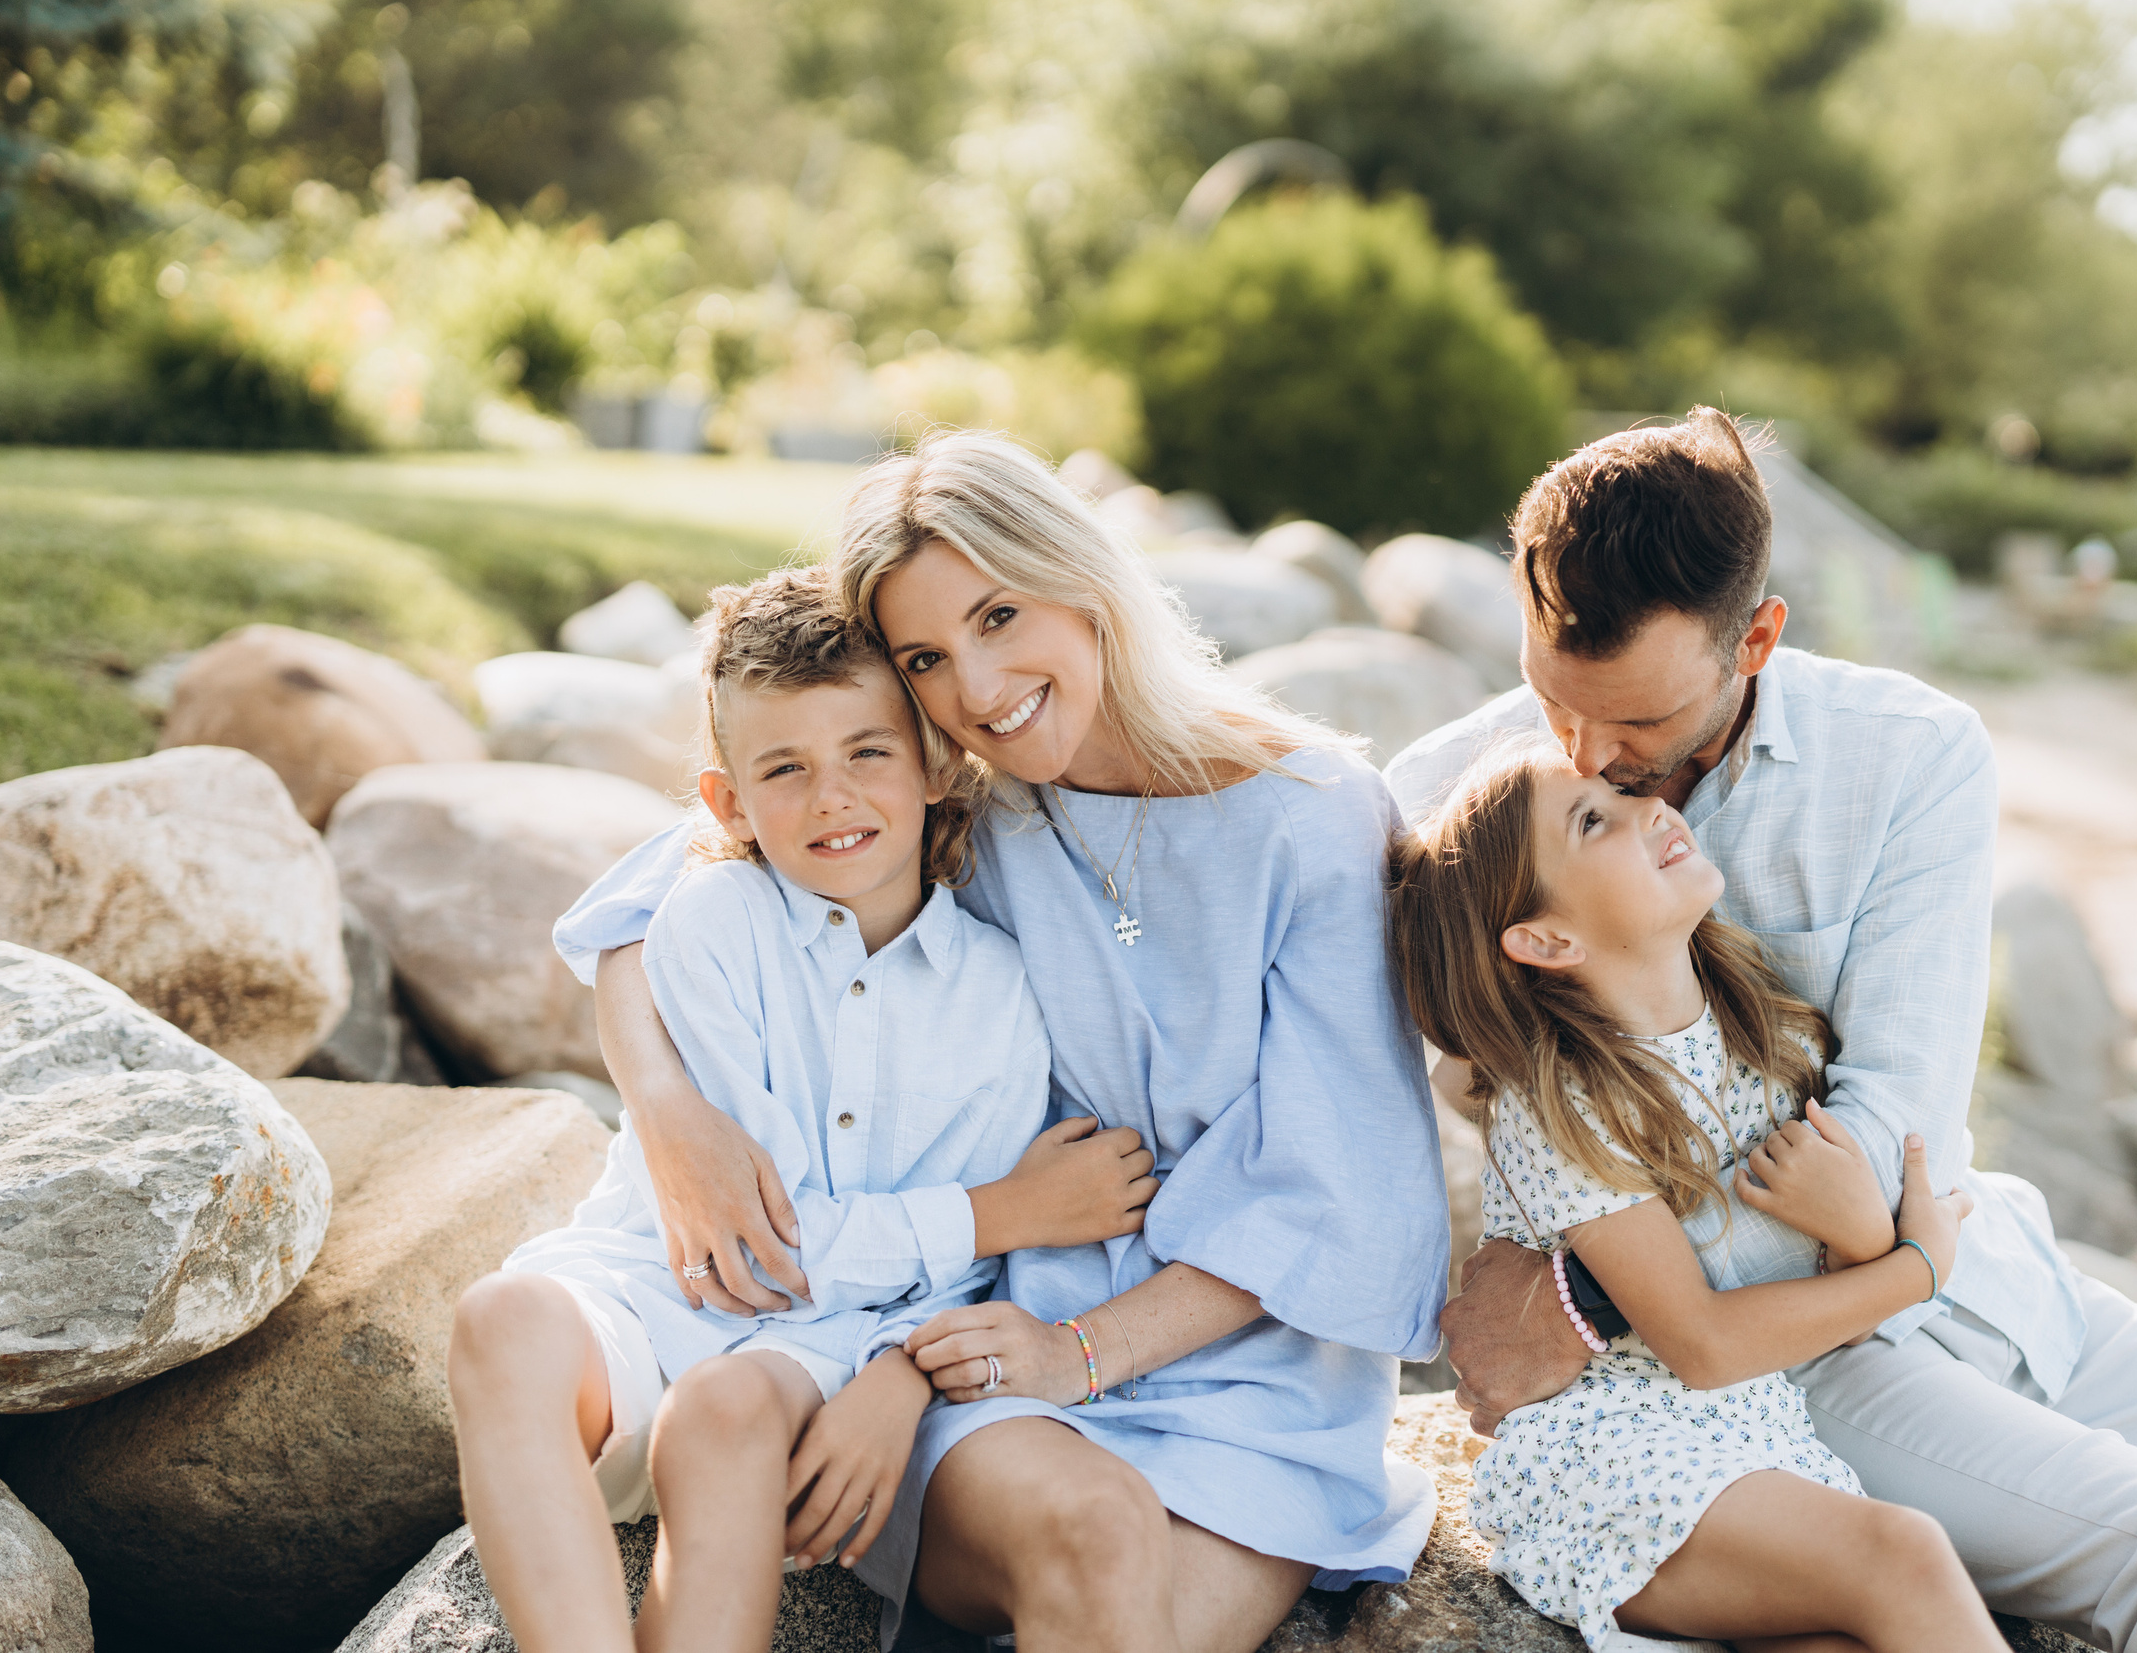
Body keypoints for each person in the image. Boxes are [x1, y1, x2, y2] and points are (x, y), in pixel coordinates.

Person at [1386, 410, 2137, 1653]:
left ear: (1754, 637)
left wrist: (1590, 1290)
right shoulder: (1460, 812)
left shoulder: (1910, 756)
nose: (1591, 754)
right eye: (1552, 699)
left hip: (1985, 1276)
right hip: (1803, 1368)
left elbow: (1895, 1136)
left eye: (1640, 726)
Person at [547, 433, 1449, 1653]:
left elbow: (1339, 1192)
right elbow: (635, 912)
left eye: (998, 615)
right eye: (925, 657)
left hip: (1246, 1379)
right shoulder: (958, 796)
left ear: (1082, 583)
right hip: (969, 1341)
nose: (975, 688)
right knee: (1093, 1537)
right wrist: (667, 1115)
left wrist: (1079, 1355)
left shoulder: (1319, 820)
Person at [446, 569, 1155, 1653]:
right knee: (500, 1318)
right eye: (785, 769)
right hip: (651, 1294)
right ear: (727, 804)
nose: (833, 799)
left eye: (866, 753)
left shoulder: (1002, 991)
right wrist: (994, 1212)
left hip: (824, 1347)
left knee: (722, 1415)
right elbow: (757, 1246)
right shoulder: (710, 925)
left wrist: (904, 1368)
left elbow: (906, 1290)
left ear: (933, 765)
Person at [1390, 737, 1998, 1653]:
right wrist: (1917, 1268)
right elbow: (1702, 1343)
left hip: (1752, 1429)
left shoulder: (1761, 1031)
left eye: (1621, 792)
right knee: (1902, 1552)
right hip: (1612, 1455)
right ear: (1547, 939)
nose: (1649, 809)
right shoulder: (1562, 1100)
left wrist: (1864, 1235)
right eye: (1592, 819)